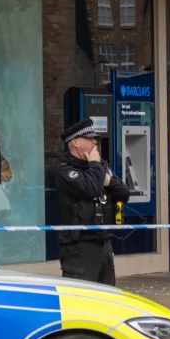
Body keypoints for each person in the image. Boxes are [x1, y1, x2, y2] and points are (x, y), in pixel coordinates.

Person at [54, 118, 130, 286]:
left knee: (108, 298)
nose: (95, 142)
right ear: (75, 142)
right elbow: (90, 189)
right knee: (81, 299)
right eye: (89, 139)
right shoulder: (66, 171)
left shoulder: (100, 167)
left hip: (104, 244)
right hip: (79, 248)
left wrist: (108, 181)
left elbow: (124, 193)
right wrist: (95, 164)